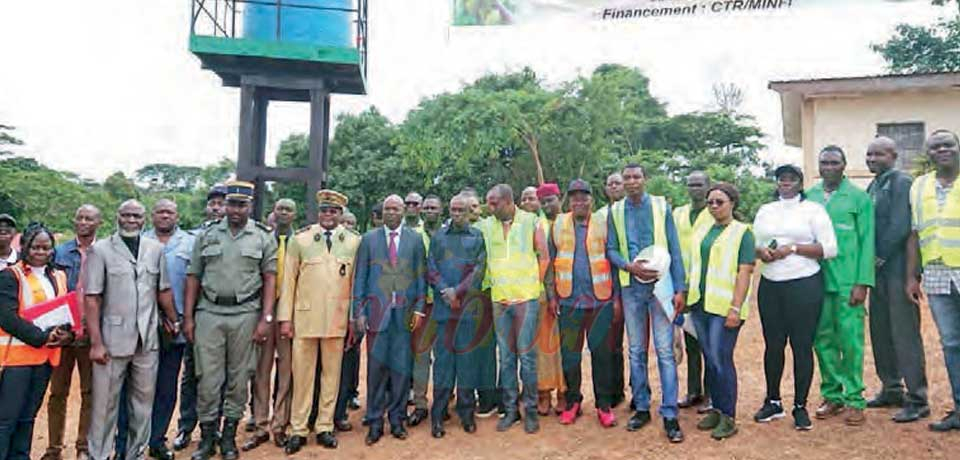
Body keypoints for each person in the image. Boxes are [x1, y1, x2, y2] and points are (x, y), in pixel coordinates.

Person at [182, 180, 278, 460]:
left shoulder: (262, 236)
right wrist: (188, 318)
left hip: (246, 314)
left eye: (241, 205)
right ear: (224, 205)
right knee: (208, 379)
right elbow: (193, 277)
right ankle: (207, 439)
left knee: (239, 378)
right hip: (209, 314)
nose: (235, 210)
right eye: (231, 204)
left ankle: (228, 439)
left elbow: (270, 279)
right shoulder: (208, 235)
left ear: (250, 206)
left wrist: (266, 318)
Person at [84, 200, 177, 460]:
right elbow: (92, 298)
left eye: (136, 216)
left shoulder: (156, 250)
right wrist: (96, 343)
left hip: (147, 340)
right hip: (111, 341)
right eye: (126, 215)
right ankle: (98, 455)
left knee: (143, 405)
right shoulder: (100, 250)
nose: (131, 220)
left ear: (144, 219)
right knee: (105, 406)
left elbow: (163, 290)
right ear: (117, 217)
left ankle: (134, 454)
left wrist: (175, 320)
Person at [752, 164, 837, 431]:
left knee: (802, 346)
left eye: (791, 179)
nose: (786, 182)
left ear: (801, 183)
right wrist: (761, 252)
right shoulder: (766, 210)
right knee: (773, 345)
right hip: (771, 285)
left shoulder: (813, 210)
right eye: (781, 178)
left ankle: (800, 406)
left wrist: (794, 248)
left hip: (804, 284)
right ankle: (773, 400)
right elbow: (754, 243)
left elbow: (830, 248)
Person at [605, 164, 686, 443]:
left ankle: (670, 413)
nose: (631, 181)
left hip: (661, 287)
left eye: (636, 176)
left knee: (664, 352)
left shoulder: (662, 206)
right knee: (636, 350)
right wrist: (629, 267)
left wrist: (680, 288)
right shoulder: (615, 211)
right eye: (626, 177)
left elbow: (674, 248)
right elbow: (611, 249)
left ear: (645, 179)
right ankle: (641, 407)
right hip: (631, 289)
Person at [281, 190, 360, 453]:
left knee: (331, 377)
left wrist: (352, 321)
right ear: (319, 212)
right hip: (304, 319)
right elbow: (288, 282)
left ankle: (325, 426)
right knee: (302, 377)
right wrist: (285, 319)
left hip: (336, 320)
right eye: (325, 210)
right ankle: (298, 428)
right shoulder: (300, 239)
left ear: (340, 215)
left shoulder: (352, 242)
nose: (329, 215)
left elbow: (354, 285)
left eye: (334, 211)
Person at [807, 146, 875, 426]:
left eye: (835, 162)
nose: (829, 167)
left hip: (848, 283)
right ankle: (832, 394)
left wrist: (863, 283)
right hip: (815, 281)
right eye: (824, 162)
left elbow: (867, 241)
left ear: (845, 165)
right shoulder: (809, 197)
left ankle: (855, 399)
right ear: (818, 166)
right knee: (822, 340)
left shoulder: (859, 198)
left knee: (851, 341)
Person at [477, 184, 552, 434]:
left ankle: (530, 411)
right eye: (489, 202)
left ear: (509, 201)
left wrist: (534, 284)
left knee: (527, 358)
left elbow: (544, 256)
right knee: (506, 358)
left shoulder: (531, 222)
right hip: (500, 300)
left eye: (494, 202)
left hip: (526, 300)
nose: (491, 207)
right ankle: (510, 411)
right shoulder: (488, 225)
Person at [352, 195, 427, 446]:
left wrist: (418, 309)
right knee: (375, 370)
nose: (391, 213)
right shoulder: (369, 240)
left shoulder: (415, 240)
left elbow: (420, 276)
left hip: (404, 314)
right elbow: (360, 277)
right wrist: (359, 312)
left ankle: (397, 419)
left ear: (404, 211)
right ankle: (374, 421)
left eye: (396, 209)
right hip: (376, 314)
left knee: (401, 369)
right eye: (387, 209)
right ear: (382, 212)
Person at [865, 137, 930, 422]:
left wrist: (880, 256)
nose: (872, 159)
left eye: (878, 154)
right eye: (869, 154)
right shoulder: (874, 185)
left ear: (893, 155)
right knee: (880, 330)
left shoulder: (901, 182)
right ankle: (891, 388)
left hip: (898, 268)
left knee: (904, 333)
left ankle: (918, 398)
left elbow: (901, 225)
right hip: (876, 271)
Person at [685, 183, 755, 440]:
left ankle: (729, 416)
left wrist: (735, 308)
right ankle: (716, 409)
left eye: (720, 202)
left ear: (732, 203)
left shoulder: (743, 232)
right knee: (710, 360)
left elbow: (744, 272)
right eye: (710, 202)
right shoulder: (705, 230)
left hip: (724, 308)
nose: (714, 206)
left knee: (721, 360)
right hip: (701, 304)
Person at [0, 223, 74, 460]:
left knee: (28, 417)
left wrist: (67, 335)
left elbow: (65, 312)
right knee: (6, 420)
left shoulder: (59, 276)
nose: (41, 252)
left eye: (46, 248)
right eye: (35, 247)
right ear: (24, 247)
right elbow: (6, 317)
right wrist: (43, 337)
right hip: (15, 360)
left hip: (44, 359)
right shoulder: (10, 275)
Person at [549, 179, 618, 427]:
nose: (579, 201)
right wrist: (552, 296)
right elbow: (551, 261)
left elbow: (613, 258)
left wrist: (616, 298)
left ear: (592, 199)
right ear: (569, 201)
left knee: (602, 355)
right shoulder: (558, 224)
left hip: (600, 301)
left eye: (584, 197)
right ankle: (573, 402)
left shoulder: (604, 222)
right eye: (575, 197)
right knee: (570, 357)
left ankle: (604, 405)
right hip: (568, 302)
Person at [906, 129, 960, 432]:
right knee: (951, 343)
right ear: (929, 153)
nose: (942, 150)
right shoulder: (919, 186)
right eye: (936, 146)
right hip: (937, 273)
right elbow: (915, 234)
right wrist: (912, 276)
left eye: (948, 144)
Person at [426, 193, 487, 437]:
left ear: (469, 213)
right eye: (453, 210)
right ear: (448, 211)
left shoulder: (477, 237)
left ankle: (466, 413)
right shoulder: (439, 237)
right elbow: (431, 268)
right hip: (443, 310)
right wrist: (444, 290)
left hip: (467, 309)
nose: (457, 214)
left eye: (461, 210)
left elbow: (479, 269)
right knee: (443, 364)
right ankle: (438, 414)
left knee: (467, 363)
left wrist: (458, 291)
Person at [43, 205, 101, 460]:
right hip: (62, 334)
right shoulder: (59, 252)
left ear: (99, 223)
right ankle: (53, 448)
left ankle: (83, 447)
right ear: (74, 221)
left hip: (92, 334)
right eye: (80, 217)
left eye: (90, 218)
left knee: (90, 392)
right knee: (57, 393)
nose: (84, 222)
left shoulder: (105, 252)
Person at [176, 183, 228, 451]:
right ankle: (185, 427)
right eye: (213, 203)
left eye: (222, 202)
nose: (217, 207)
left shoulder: (238, 235)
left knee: (220, 375)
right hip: (196, 315)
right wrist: (187, 317)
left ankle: (214, 427)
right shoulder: (191, 237)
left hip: (222, 315)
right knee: (192, 375)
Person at [244, 199, 296, 451]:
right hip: (263, 311)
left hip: (290, 314)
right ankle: (261, 425)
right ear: (274, 213)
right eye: (280, 209)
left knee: (286, 372)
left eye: (288, 210)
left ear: (295, 215)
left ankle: (280, 425)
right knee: (261, 371)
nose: (284, 213)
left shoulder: (301, 242)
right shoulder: (261, 240)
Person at [673, 171, 714, 414]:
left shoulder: (715, 212)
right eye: (690, 185)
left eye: (699, 184)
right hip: (684, 286)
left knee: (709, 342)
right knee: (690, 342)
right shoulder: (679, 213)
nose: (695, 189)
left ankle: (711, 394)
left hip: (707, 287)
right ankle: (693, 390)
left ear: (708, 186)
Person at [410, 194, 444, 427]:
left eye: (434, 208)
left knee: (444, 356)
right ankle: (420, 404)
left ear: (441, 211)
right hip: (422, 305)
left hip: (446, 305)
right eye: (427, 207)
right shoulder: (413, 237)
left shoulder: (450, 235)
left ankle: (442, 404)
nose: (430, 211)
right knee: (421, 356)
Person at [535, 183, 565, 416]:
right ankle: (544, 393)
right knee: (545, 346)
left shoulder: (569, 223)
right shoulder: (537, 227)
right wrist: (550, 293)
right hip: (545, 295)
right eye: (543, 202)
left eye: (550, 200)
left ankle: (565, 393)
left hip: (572, 292)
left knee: (567, 346)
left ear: (560, 199)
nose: (547, 205)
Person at [601, 172, 627, 409]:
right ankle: (614, 391)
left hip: (637, 284)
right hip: (610, 286)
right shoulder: (600, 216)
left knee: (640, 346)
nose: (615, 186)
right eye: (610, 184)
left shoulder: (633, 212)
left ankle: (642, 392)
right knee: (612, 344)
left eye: (618, 183)